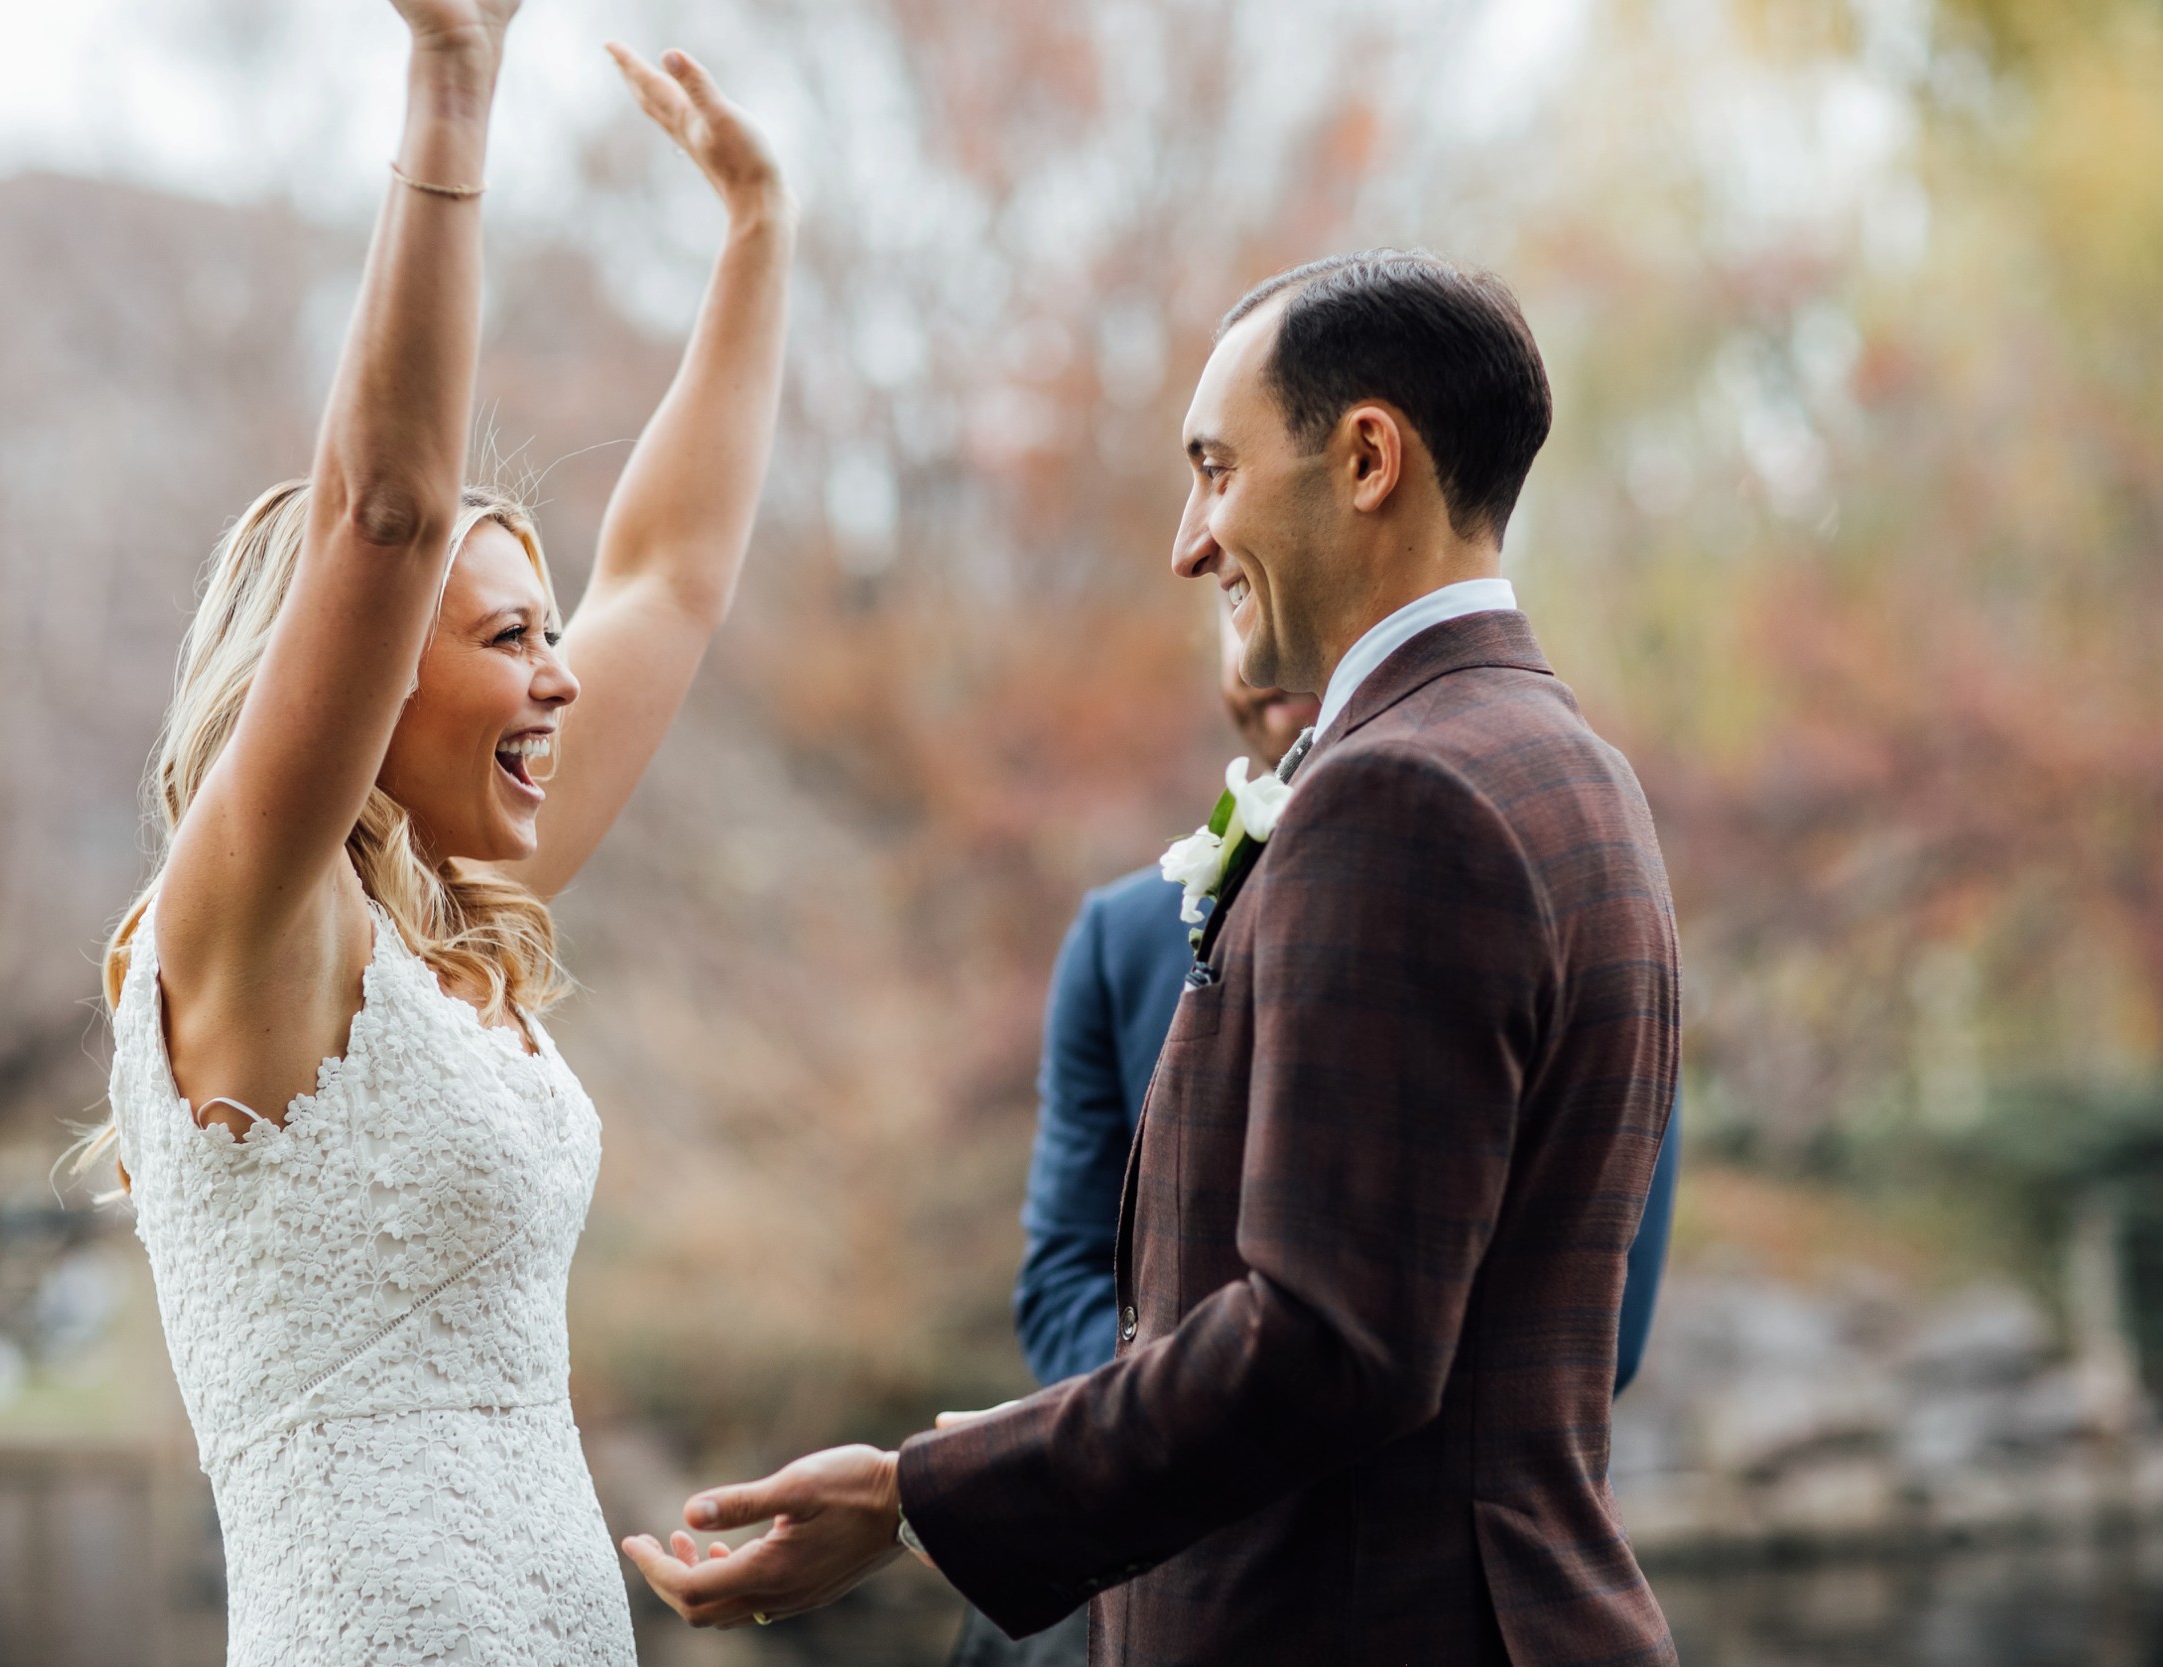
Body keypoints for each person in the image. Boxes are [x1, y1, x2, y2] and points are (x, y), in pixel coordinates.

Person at [623, 250, 1681, 1667]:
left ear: (1369, 456)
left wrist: (910, 1496)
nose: (1189, 540)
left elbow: (1327, 1344)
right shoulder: (1573, 768)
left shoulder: (1404, 794)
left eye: (1216, 468)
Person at [81, 2, 794, 1660]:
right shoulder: (252, 918)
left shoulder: (442, 922)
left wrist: (759, 237)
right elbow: (389, 510)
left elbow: (673, 578)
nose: (562, 680)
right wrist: (455, 78)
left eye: (550, 634)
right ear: (357, 672)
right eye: (505, 641)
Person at [955, 629, 1684, 1667]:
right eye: (1229, 622)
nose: (1265, 668)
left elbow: (1602, 1316)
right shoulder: (1123, 938)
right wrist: (1169, 1433)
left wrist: (1254, 1402)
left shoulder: (1538, 855)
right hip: (1160, 1579)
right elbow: (1065, 1276)